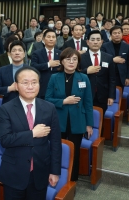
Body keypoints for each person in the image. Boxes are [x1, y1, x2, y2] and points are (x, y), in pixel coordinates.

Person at [0, 66, 61, 200]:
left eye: (34, 82)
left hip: (40, 171)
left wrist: (55, 171)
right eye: (25, 83)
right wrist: (32, 133)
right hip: (14, 172)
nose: (30, 86)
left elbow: (55, 142)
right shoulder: (6, 109)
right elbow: (5, 140)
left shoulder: (49, 108)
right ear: (16, 85)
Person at [45, 47, 94, 181]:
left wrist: (89, 124)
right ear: (61, 61)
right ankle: (54, 177)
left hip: (77, 120)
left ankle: (72, 181)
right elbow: (47, 99)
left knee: (74, 152)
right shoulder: (54, 77)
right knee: (56, 150)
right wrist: (63, 101)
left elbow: (88, 103)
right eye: (68, 59)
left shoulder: (83, 78)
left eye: (75, 59)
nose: (71, 62)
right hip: (58, 120)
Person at [80, 30, 116, 116]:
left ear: (102, 42)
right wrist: (86, 71)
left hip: (102, 95)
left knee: (100, 120)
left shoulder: (108, 58)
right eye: (92, 40)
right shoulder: (80, 57)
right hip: (84, 94)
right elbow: (74, 73)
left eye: (98, 39)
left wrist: (111, 96)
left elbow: (112, 79)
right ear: (87, 42)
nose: (95, 42)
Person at [0, 40, 29, 104]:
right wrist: (9, 88)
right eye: (14, 50)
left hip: (27, 105)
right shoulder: (2, 70)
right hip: (8, 106)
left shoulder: (31, 70)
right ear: (10, 54)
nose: (17, 53)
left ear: (24, 54)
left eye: (20, 50)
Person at [31, 29, 61, 99]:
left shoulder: (60, 53)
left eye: (53, 37)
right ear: (43, 39)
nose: (51, 39)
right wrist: (48, 64)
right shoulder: (37, 53)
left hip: (57, 87)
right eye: (49, 37)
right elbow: (33, 66)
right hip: (42, 86)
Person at [101, 26, 129, 90]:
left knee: (119, 96)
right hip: (107, 76)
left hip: (121, 77)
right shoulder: (104, 46)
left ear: (122, 34)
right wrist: (112, 60)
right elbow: (102, 60)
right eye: (115, 33)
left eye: (119, 33)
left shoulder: (127, 47)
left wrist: (128, 77)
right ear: (110, 35)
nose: (117, 35)